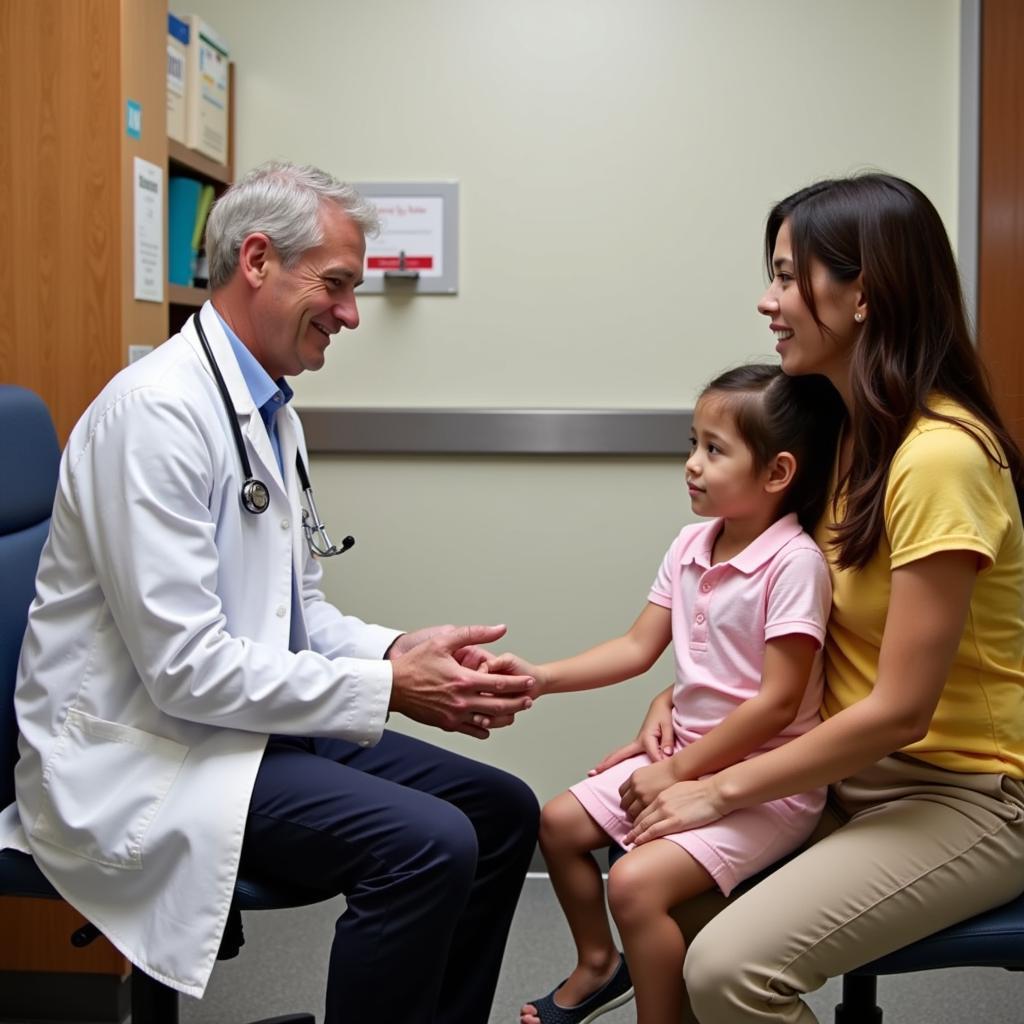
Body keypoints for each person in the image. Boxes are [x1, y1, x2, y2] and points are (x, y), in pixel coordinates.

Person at [0, 161, 540, 1024]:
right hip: (149, 751)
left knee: (502, 811)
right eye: (336, 284)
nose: (352, 313)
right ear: (257, 260)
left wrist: (396, 652)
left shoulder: (267, 407)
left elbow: (295, 613)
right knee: (428, 845)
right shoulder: (155, 416)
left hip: (237, 729)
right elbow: (185, 672)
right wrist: (393, 690)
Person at [617, 173, 1024, 1024]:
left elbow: (902, 710)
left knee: (729, 970)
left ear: (864, 292)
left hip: (967, 793)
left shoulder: (939, 457)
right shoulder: (844, 438)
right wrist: (674, 693)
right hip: (849, 773)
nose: (767, 302)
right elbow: (789, 619)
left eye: (785, 275)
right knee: (657, 903)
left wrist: (718, 790)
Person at [483, 364, 844, 1024]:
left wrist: (679, 771)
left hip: (766, 782)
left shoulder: (795, 564)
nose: (692, 465)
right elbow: (636, 648)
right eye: (691, 444)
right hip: (688, 753)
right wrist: (540, 676)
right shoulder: (688, 546)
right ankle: (599, 965)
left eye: (714, 449)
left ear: (777, 473)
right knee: (559, 823)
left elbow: (778, 704)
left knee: (633, 883)